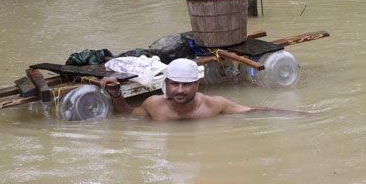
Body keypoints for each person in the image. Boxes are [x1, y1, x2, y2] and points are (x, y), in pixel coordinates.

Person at [100, 58, 254, 121]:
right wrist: (116, 94)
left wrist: (278, 114)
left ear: (197, 85)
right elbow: (127, 114)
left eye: (186, 84)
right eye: (175, 84)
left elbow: (252, 111)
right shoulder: (153, 105)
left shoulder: (214, 105)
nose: (180, 90)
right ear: (166, 84)